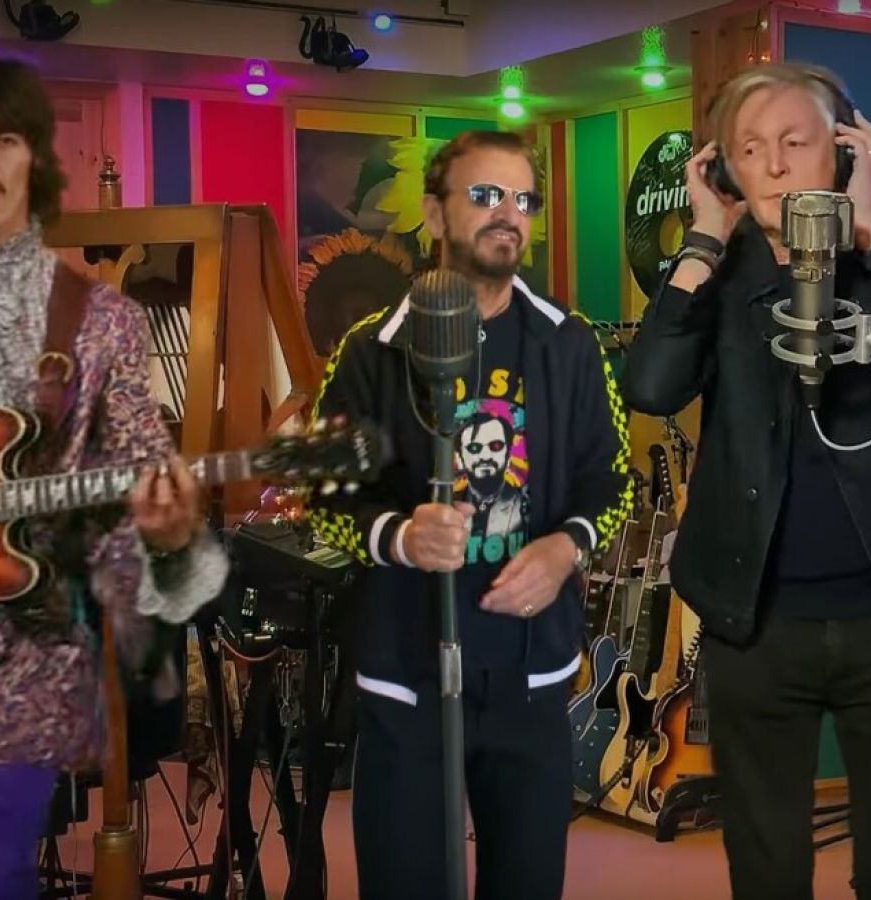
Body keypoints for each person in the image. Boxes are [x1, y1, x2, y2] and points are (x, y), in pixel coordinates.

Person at [0, 58, 228, 900]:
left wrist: (170, 534)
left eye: (6, 139)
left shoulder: (99, 321)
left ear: (37, 161)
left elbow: (139, 469)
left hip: (32, 650)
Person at [621, 62, 871, 899]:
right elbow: (650, 386)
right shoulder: (716, 272)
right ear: (726, 170)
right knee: (767, 873)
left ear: (847, 154)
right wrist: (703, 239)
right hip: (754, 622)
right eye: (751, 148)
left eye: (796, 141)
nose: (776, 164)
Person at [307, 129, 633, 900]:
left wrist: (564, 548)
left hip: (530, 673)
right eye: (485, 195)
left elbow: (613, 480)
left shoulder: (570, 343)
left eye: (524, 200)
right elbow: (322, 493)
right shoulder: (371, 348)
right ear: (434, 213)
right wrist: (399, 535)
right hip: (407, 673)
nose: (508, 214)